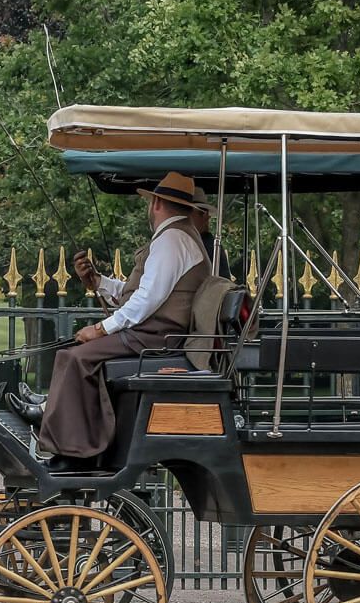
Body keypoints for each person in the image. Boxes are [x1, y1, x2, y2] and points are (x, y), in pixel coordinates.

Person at [14, 170, 212, 473]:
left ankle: (72, 450)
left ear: (156, 202)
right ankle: (57, 416)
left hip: (156, 337)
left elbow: (147, 299)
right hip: (156, 331)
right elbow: (140, 293)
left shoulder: (173, 239)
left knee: (77, 357)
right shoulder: (179, 237)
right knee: (73, 352)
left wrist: (101, 328)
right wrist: (99, 282)